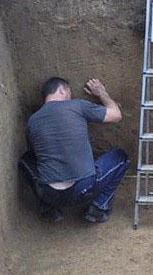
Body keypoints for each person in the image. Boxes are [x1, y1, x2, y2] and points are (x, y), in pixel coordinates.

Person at [19, 77, 129, 223]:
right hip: (82, 189)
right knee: (121, 157)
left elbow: (36, 155)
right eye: (69, 92)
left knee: (26, 160)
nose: (71, 96)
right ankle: (99, 208)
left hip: (49, 193)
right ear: (62, 90)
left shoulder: (32, 121)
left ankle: (48, 209)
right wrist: (101, 93)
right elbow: (116, 115)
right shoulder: (77, 106)